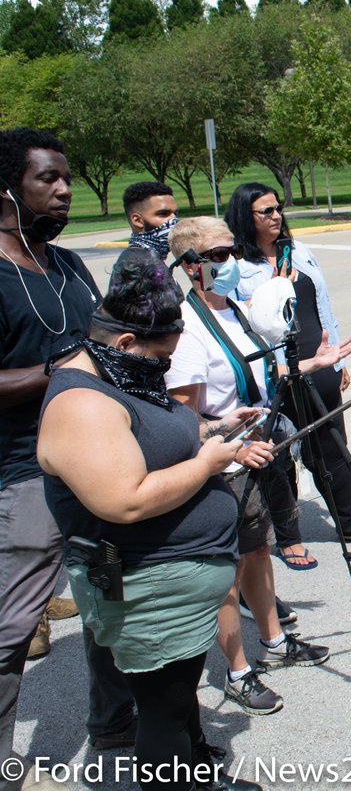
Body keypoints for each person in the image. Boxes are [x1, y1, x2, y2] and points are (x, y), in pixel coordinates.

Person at [37, 247, 261, 791]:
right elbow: (126, 500)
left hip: (171, 582)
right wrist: (209, 463)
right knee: (161, 712)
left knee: (177, 693)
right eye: (162, 357)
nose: (166, 367)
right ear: (127, 343)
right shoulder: (82, 404)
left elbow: (151, 443)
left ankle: (197, 767)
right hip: (143, 583)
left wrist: (213, 430)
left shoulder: (122, 374)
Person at [0, 128, 138, 787]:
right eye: (47, 179)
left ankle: (113, 722)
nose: (64, 190)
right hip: (26, 472)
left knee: (107, 603)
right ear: (7, 189)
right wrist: (66, 367)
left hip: (103, 464)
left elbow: (102, 337)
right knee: (12, 631)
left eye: (66, 178)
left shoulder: (68, 265)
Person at [166, 218, 342, 715]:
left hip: (259, 450)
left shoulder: (237, 310)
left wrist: (312, 364)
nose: (230, 263)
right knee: (226, 570)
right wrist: (233, 448)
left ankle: (275, 642)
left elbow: (260, 369)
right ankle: (238, 672)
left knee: (259, 554)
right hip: (224, 462)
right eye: (218, 256)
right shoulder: (186, 330)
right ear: (190, 267)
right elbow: (184, 419)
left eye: (232, 252)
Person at [226, 182, 351, 568]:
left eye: (277, 208)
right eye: (265, 211)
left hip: (321, 363)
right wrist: (272, 284)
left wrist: (338, 362)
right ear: (245, 218)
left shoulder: (299, 252)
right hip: (278, 372)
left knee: (333, 449)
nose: (276, 216)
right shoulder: (235, 267)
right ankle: (288, 537)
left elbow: (322, 304)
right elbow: (239, 321)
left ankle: (350, 523)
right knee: (281, 456)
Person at [124, 181, 179, 260]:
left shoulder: (149, 258)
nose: (174, 220)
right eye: (163, 214)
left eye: (175, 213)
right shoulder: (135, 263)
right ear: (138, 220)